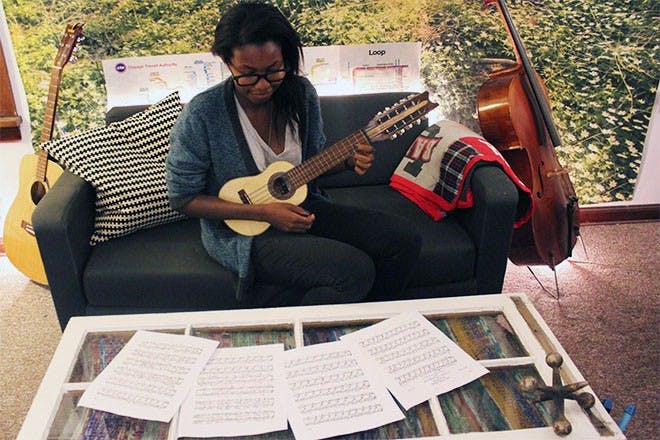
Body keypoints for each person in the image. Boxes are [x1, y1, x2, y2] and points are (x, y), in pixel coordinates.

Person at [166, 1, 421, 307]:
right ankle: (306, 329)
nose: (263, 85)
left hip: (303, 207)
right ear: (227, 62)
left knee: (403, 240)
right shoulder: (204, 113)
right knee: (353, 270)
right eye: (247, 74)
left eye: (274, 70)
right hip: (242, 229)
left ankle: (370, 321)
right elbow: (182, 198)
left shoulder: (300, 94)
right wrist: (265, 213)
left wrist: (347, 161)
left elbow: (310, 166)